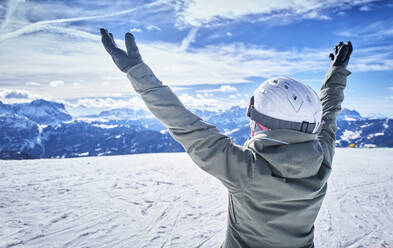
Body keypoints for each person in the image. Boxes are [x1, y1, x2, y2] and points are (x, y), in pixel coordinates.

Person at [100, 28, 352, 248]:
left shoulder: (247, 170)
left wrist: (135, 70)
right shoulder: (322, 155)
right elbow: (329, 111)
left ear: (262, 124)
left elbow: (183, 124)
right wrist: (337, 71)